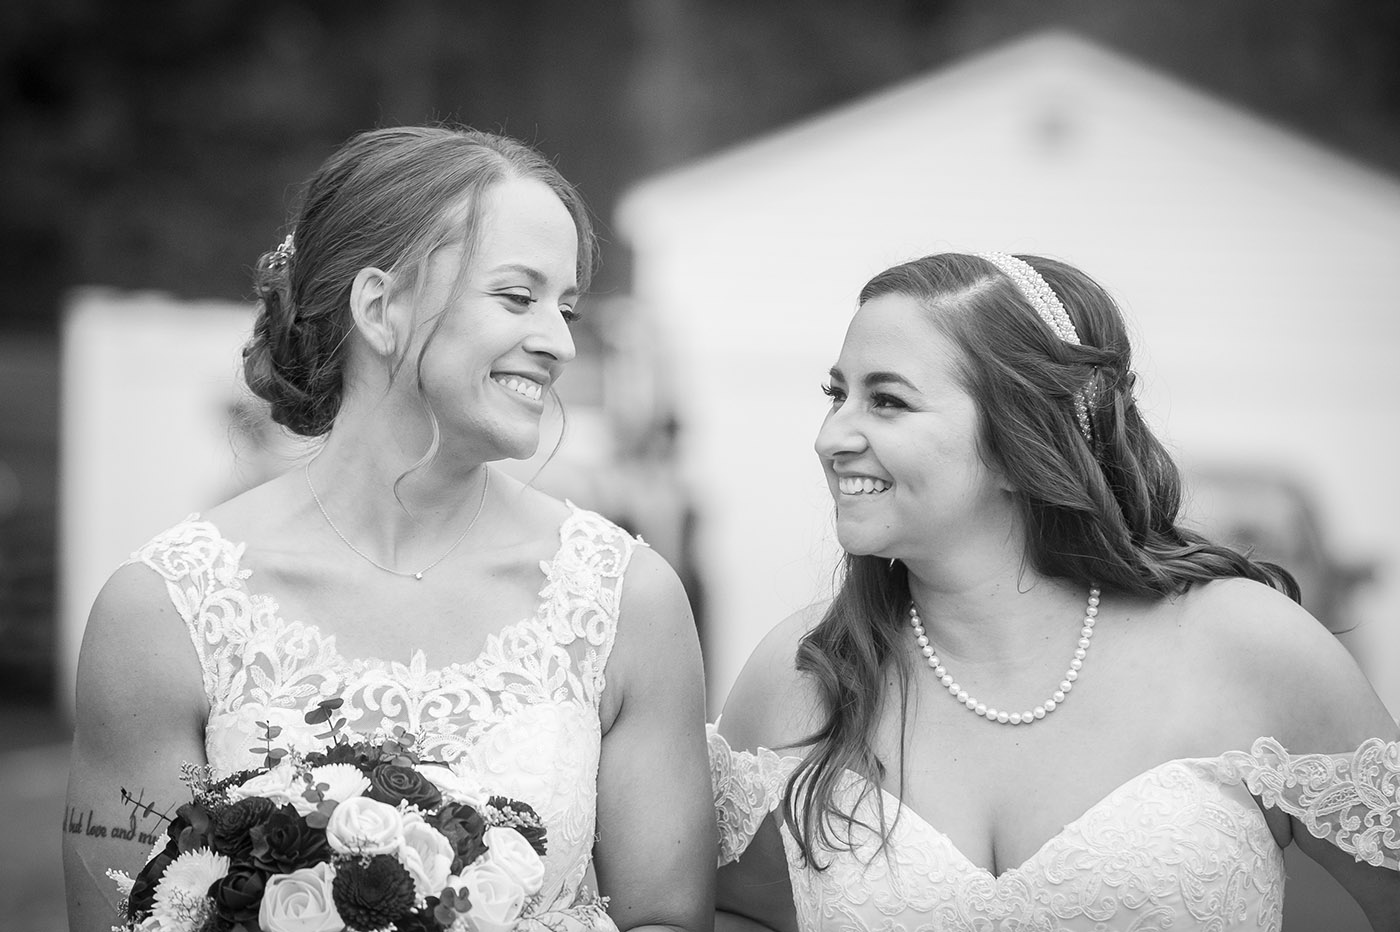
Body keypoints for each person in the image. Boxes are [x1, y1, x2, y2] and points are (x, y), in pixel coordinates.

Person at [63, 126, 714, 931]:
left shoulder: (625, 601)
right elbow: (128, 913)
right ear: (380, 307)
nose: (561, 343)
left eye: (567, 306)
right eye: (518, 297)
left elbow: (666, 916)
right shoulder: (163, 612)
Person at [709, 252, 1400, 930]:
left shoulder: (1249, 648)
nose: (831, 437)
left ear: (1023, 439)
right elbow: (731, 911)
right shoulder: (801, 673)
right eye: (837, 395)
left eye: (887, 401)